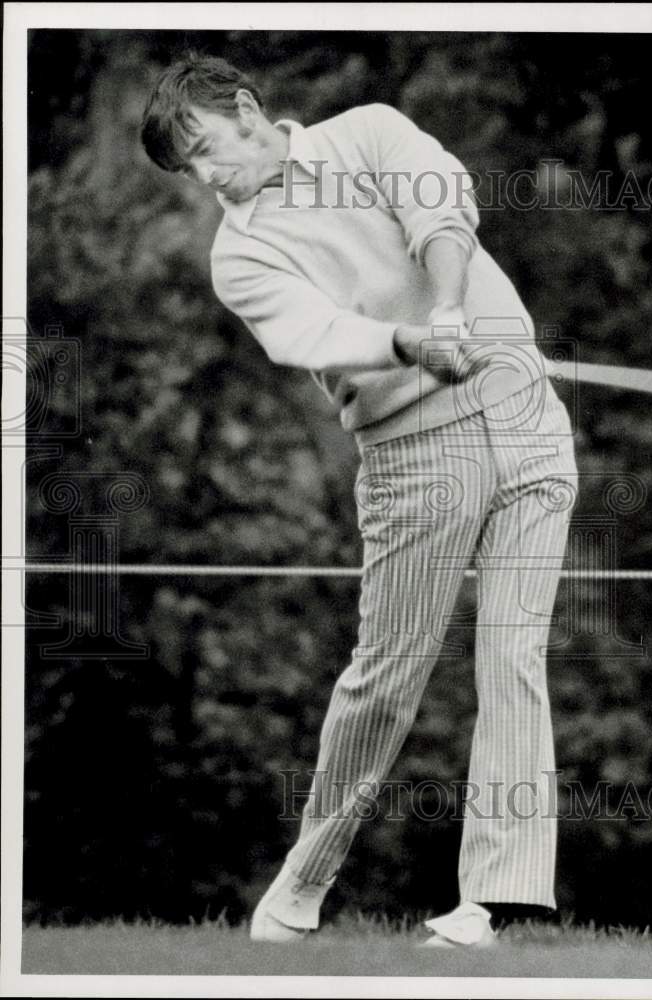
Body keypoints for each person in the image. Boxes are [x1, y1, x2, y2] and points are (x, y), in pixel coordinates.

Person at [141, 54, 578, 948]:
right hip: (416, 453)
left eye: (209, 150)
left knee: (512, 656)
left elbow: (440, 209)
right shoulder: (241, 253)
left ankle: (490, 903)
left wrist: (451, 310)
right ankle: (302, 883)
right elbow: (318, 332)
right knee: (384, 680)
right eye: (189, 171)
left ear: (251, 111)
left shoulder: (369, 132)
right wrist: (410, 342)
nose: (208, 176)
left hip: (525, 413)